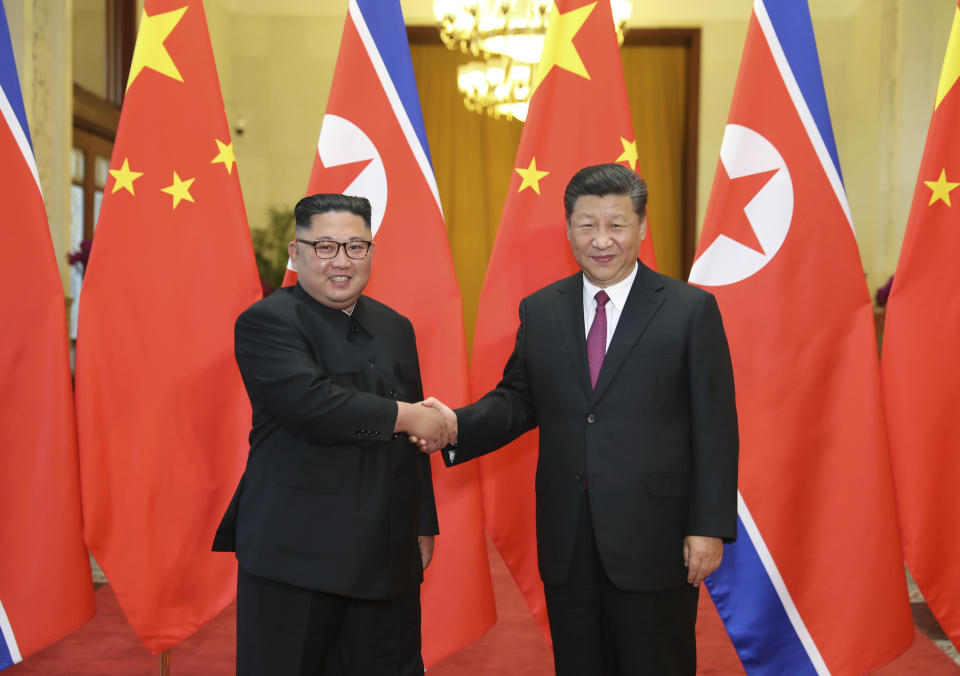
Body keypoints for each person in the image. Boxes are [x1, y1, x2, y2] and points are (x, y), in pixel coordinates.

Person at [423, 164, 739, 675]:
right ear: (568, 228)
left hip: (655, 535)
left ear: (641, 227)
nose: (601, 240)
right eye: (587, 224)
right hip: (569, 535)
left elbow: (716, 428)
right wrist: (457, 425)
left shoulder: (689, 311)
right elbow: (519, 400)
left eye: (616, 224)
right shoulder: (543, 310)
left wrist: (707, 527)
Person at [213, 193, 451, 676]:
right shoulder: (266, 322)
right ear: (294, 253)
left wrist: (422, 521)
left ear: (370, 252)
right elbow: (313, 404)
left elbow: (415, 445)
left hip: (386, 555)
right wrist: (406, 416)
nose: (341, 262)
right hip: (297, 555)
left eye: (355, 247)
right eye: (324, 247)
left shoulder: (395, 326)